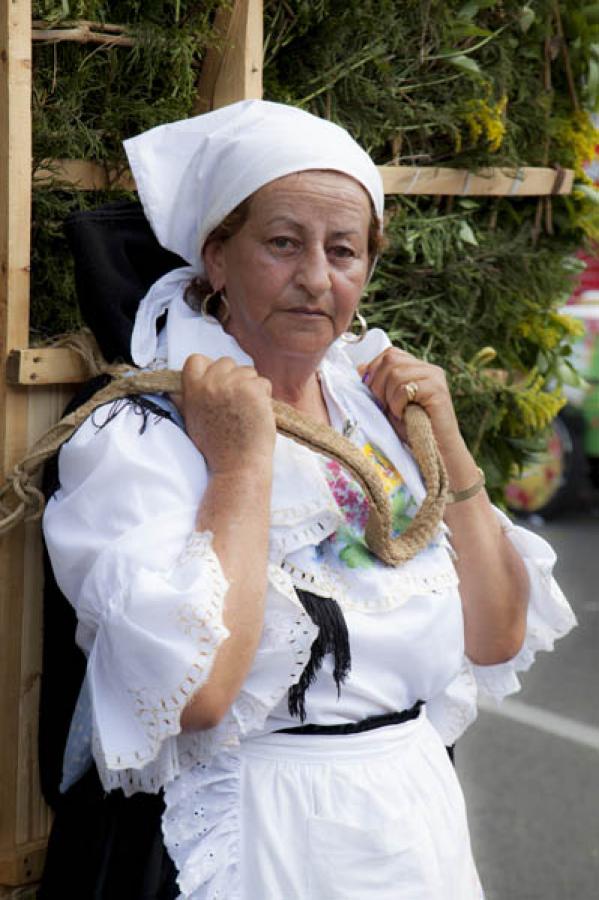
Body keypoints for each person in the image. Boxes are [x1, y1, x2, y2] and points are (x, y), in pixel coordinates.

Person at [40, 100, 576, 899]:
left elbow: (495, 637)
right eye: (282, 244)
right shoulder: (139, 433)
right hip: (259, 837)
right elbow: (196, 694)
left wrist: (448, 438)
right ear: (216, 257)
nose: (317, 279)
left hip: (410, 825)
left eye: (344, 251)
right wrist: (239, 470)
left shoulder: (374, 410)